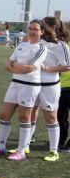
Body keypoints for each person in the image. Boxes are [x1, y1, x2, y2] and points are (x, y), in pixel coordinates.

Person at [0, 20, 47, 162]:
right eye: (30, 28)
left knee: (24, 117)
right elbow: (7, 63)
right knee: (4, 114)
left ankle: (21, 150)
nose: (32, 31)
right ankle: (0, 146)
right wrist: (17, 67)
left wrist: (15, 66)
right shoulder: (22, 45)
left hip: (29, 86)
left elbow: (30, 68)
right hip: (15, 83)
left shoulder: (42, 48)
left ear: (42, 32)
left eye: (35, 29)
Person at [21, 17, 70, 162]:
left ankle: (54, 151)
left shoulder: (61, 45)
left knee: (51, 117)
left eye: (43, 26)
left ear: (53, 27)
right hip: (33, 83)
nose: (40, 29)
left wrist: (48, 69)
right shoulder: (38, 43)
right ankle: (26, 144)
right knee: (30, 112)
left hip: (50, 86)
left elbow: (66, 66)